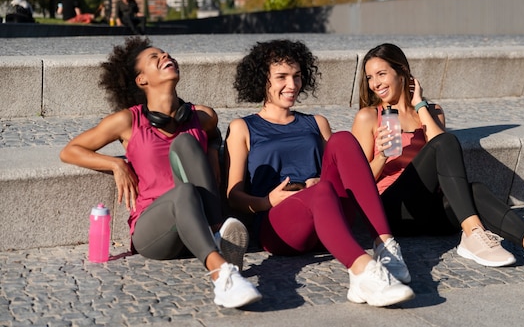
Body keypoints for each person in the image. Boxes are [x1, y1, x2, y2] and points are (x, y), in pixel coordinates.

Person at [59, 36, 261, 308]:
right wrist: (116, 163)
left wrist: (213, 151)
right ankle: (222, 274)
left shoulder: (202, 117)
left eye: (167, 54)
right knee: (185, 192)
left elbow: (213, 135)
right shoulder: (129, 121)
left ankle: (215, 235)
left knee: (186, 143)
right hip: (155, 231)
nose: (166, 56)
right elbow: (70, 150)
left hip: (197, 223)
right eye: (155, 58)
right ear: (142, 80)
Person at [224, 39, 415, 307]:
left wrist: (381, 155)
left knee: (343, 141)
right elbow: (233, 196)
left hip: (330, 214)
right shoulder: (243, 127)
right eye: (281, 77)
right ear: (261, 79)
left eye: (297, 77)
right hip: (281, 225)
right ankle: (363, 272)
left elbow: (343, 171)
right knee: (323, 189)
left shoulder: (316, 122)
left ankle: (385, 246)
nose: (292, 85)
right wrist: (268, 201)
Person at [351, 43, 524, 276]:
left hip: (433, 215)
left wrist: (419, 105)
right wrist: (382, 156)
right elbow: (356, 184)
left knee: (476, 189)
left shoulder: (432, 111)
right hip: (394, 209)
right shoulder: (369, 117)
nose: (375, 83)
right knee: (446, 142)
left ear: (402, 71)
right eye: (370, 77)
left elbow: (443, 149)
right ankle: (474, 233)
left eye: (381, 74)